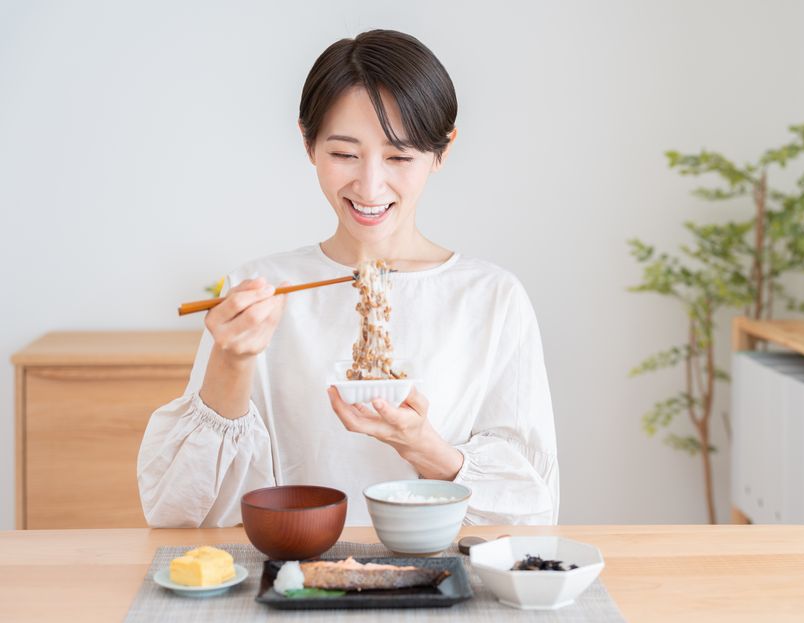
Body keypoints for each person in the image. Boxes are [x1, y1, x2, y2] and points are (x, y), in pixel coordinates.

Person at [137, 30, 559, 527]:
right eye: (343, 154)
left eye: (400, 157)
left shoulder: (491, 297)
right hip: (294, 575)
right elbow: (179, 512)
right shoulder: (260, 285)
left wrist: (421, 445)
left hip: (440, 583)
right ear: (308, 143)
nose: (370, 185)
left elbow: (533, 507)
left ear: (443, 151)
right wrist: (232, 360)